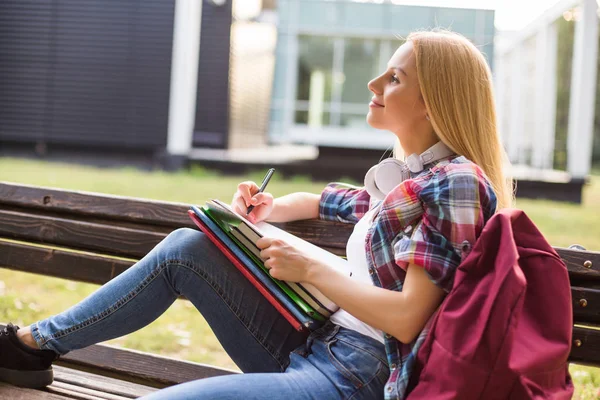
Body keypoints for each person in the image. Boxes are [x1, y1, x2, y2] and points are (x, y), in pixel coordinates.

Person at [0, 29, 511, 400]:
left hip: (360, 376)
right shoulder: (406, 180)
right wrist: (270, 208)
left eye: (394, 77)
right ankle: (29, 346)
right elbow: (327, 201)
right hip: (317, 343)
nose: (375, 83)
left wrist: (311, 269)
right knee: (189, 249)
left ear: (432, 101)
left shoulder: (456, 184)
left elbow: (407, 319)